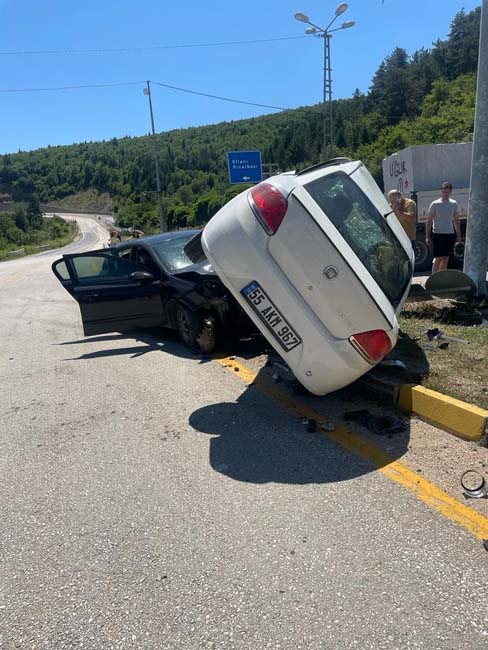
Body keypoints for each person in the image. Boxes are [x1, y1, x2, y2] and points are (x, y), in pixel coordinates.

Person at [425, 182, 462, 274]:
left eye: (447, 192)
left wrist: (458, 236)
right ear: (441, 191)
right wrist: (427, 236)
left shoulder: (454, 203)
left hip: (449, 234)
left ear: (450, 192)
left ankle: (442, 276)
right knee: (438, 258)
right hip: (438, 234)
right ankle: (434, 276)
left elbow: (456, 220)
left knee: (446, 258)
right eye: (444, 192)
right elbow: (429, 221)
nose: (445, 194)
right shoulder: (435, 204)